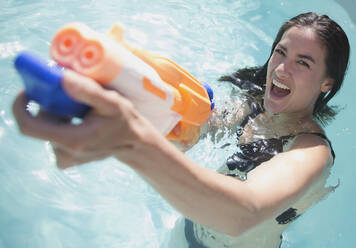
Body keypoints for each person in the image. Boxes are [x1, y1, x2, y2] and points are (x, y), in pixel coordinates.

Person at [12, 12, 349, 248]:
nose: (281, 68)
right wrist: (124, 92)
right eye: (281, 52)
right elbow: (190, 131)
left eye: (302, 63)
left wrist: (131, 141)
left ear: (326, 84)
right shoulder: (253, 107)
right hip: (187, 232)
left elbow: (243, 212)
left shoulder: (311, 151)